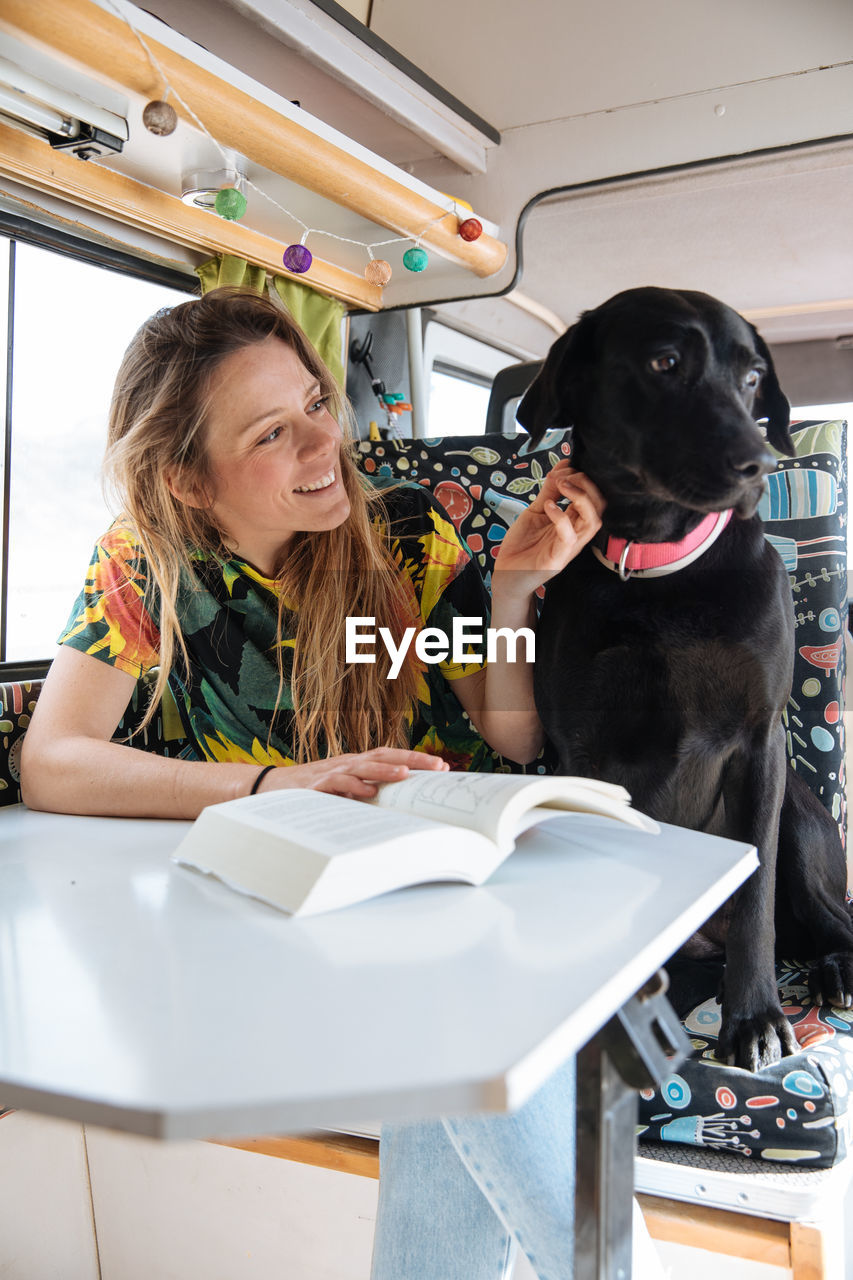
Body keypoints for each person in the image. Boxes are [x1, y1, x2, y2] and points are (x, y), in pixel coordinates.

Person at [21, 287, 605, 1279]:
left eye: (316, 405)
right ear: (191, 480)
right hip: (259, 938)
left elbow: (513, 733)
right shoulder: (141, 563)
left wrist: (508, 591)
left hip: (430, 914)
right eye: (272, 432)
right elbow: (53, 760)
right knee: (460, 1033)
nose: (322, 444)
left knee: (453, 1039)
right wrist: (278, 783)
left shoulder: (409, 539)